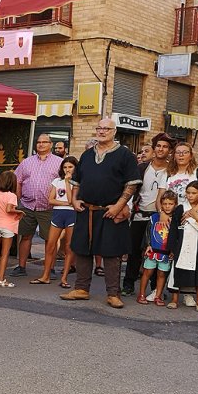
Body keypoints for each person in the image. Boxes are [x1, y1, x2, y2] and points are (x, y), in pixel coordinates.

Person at [61, 118, 141, 308]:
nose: (102, 131)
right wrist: (74, 199)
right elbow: (77, 182)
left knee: (111, 253)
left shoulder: (125, 155)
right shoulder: (88, 155)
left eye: (106, 128)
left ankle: (113, 293)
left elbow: (131, 184)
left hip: (110, 211)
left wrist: (119, 206)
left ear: (114, 131)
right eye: (99, 128)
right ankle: (81, 288)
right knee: (82, 249)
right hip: (86, 210)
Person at [123, 132, 174, 297]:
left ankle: (155, 288)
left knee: (160, 252)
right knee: (134, 251)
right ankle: (128, 284)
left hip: (160, 218)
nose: (161, 149)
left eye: (165, 146)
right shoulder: (142, 167)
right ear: (153, 149)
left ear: (169, 150)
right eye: (158, 146)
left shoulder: (172, 171)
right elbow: (131, 189)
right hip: (140, 215)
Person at [10, 133, 62, 277]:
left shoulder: (59, 162)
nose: (41, 144)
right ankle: (21, 267)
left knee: (49, 239)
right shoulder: (27, 162)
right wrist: (17, 201)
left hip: (48, 207)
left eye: (44, 142)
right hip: (27, 205)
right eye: (38, 142)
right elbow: (18, 180)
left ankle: (49, 269)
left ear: (51, 144)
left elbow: (64, 183)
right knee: (25, 236)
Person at [166, 182, 198, 311]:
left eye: (193, 193)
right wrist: (172, 247)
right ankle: (174, 299)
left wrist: (197, 218)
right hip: (182, 244)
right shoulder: (181, 208)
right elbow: (173, 229)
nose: (190, 196)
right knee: (177, 271)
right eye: (188, 193)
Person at [32, 156, 77, 288]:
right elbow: (50, 200)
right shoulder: (57, 181)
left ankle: (64, 278)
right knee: (50, 245)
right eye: (65, 167)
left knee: (69, 247)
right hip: (57, 213)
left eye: (70, 167)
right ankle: (45, 275)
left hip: (71, 215)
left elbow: (71, 199)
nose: (67, 169)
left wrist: (68, 183)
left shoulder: (77, 182)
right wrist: (66, 202)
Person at [137, 191, 176, 306]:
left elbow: (176, 236)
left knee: (162, 274)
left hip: (166, 252)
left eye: (170, 204)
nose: (167, 206)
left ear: (175, 204)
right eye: (165, 204)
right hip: (153, 250)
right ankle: (142, 294)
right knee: (147, 272)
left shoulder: (175, 220)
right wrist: (147, 245)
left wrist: (173, 250)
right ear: (161, 204)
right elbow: (148, 231)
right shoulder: (154, 217)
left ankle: (158, 296)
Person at [0, 170, 22, 287]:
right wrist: (19, 211)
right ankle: (1, 279)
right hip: (8, 226)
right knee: (5, 253)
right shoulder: (12, 196)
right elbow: (9, 209)